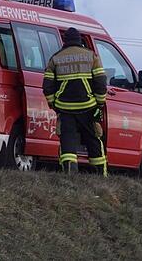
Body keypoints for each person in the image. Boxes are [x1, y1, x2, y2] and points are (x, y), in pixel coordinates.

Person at [43, 27, 108, 176]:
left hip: (65, 108)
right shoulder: (91, 56)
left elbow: (47, 85)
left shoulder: (55, 58)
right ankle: (100, 175)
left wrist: (54, 105)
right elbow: (100, 82)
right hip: (88, 107)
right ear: (80, 40)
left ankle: (70, 174)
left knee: (67, 140)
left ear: (64, 41)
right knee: (93, 139)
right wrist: (100, 103)